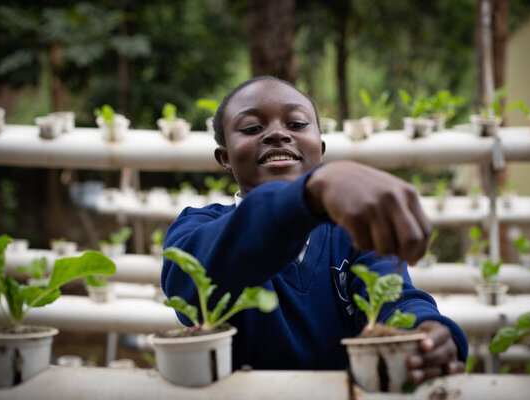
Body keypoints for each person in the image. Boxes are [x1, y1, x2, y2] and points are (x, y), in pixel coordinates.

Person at [161, 76, 467, 383]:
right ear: (224, 157)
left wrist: (426, 332)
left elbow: (396, 298)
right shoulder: (197, 228)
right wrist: (310, 194)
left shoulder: (351, 233)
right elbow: (189, 281)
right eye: (253, 128)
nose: (278, 133)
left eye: (296, 124)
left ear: (319, 148)